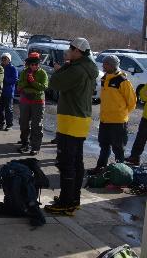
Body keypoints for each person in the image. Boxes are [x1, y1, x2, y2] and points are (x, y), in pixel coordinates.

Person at [44, 37, 99, 216]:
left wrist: (63, 68)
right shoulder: (88, 68)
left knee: (66, 162)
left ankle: (67, 203)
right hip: (80, 120)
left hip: (71, 120)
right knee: (76, 162)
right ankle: (73, 199)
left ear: (78, 51)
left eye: (71, 48)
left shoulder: (77, 69)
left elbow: (55, 83)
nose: (68, 50)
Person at [86, 55, 135, 174]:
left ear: (112, 66)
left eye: (106, 64)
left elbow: (132, 102)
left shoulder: (123, 81)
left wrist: (121, 114)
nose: (103, 66)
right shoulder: (104, 79)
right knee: (104, 146)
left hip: (118, 122)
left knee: (118, 149)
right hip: (105, 120)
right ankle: (100, 167)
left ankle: (121, 173)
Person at [17, 52, 49, 155]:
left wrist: (33, 82)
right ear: (29, 64)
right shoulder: (24, 72)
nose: (34, 66)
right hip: (25, 100)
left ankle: (35, 147)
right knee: (24, 123)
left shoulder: (43, 73)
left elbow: (43, 87)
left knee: (37, 125)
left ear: (39, 64)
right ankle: (24, 144)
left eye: (36, 64)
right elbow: (20, 86)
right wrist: (27, 81)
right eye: (32, 64)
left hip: (38, 102)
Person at [0, 53, 18, 131]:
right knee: (0, 109)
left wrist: (4, 79)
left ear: (9, 60)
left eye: (5, 59)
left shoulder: (13, 68)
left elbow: (15, 79)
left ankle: (9, 124)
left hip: (8, 92)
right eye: (3, 59)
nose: (4, 60)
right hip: (0, 92)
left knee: (8, 109)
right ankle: (0, 123)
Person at [126, 85, 147, 165]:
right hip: (146, 116)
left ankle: (135, 157)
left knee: (140, 138)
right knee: (140, 138)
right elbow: (142, 93)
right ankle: (134, 157)